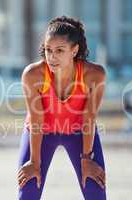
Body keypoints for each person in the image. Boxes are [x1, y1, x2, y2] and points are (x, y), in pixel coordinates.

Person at [17, 16, 107, 200]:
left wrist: (87, 159)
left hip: (79, 134)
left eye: (59, 50)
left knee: (95, 191)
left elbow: (88, 117)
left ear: (74, 50)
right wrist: (34, 162)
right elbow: (36, 119)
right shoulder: (33, 75)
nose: (52, 56)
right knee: (28, 192)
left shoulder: (94, 75)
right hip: (41, 134)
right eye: (48, 50)